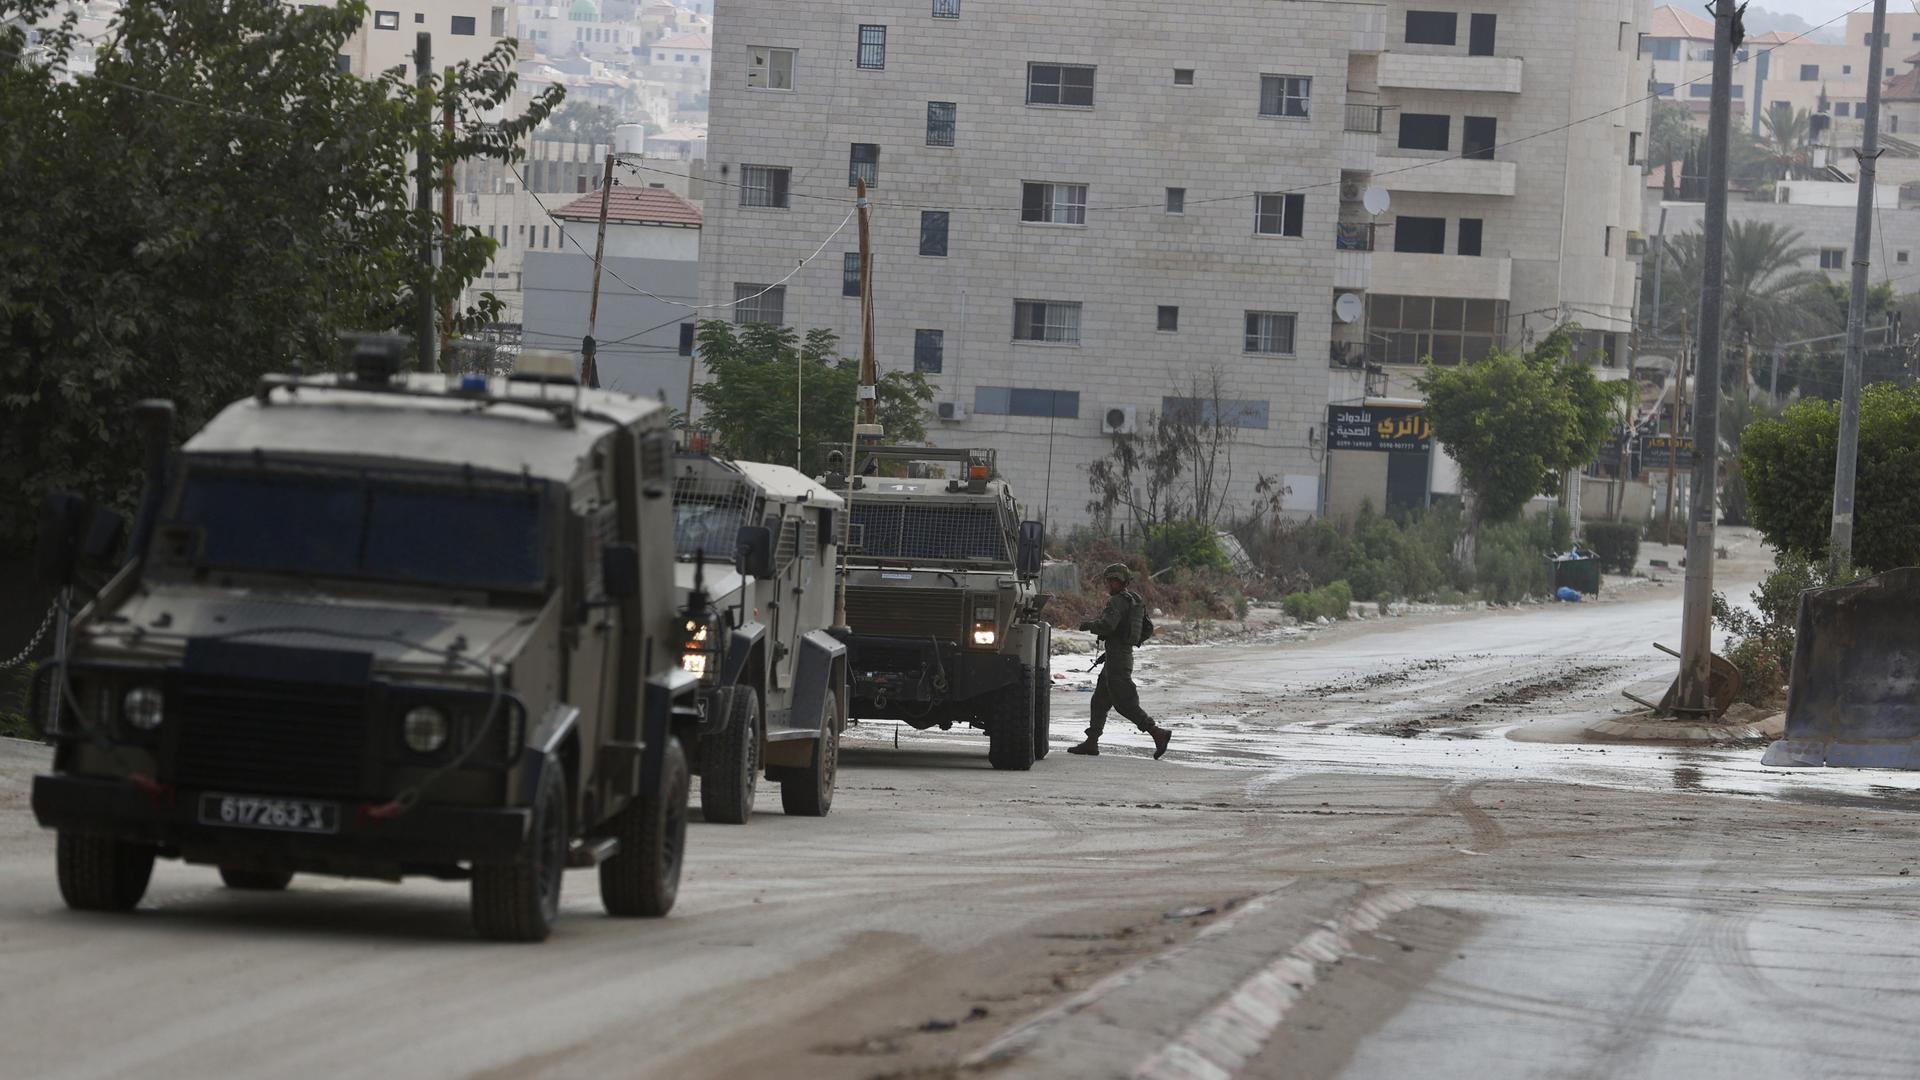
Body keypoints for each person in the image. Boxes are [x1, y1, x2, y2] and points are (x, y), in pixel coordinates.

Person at [1068, 563, 1173, 759]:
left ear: (1120, 581)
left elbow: (1107, 625)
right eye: (1109, 580)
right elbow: (1148, 628)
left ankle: (1157, 732)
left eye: (1113, 580)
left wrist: (1088, 625)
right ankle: (1092, 742)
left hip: (1118, 660)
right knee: (1099, 701)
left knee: (1125, 703)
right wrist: (1127, 643)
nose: (1109, 584)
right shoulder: (1135, 600)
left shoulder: (1117, 601)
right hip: (1118, 657)